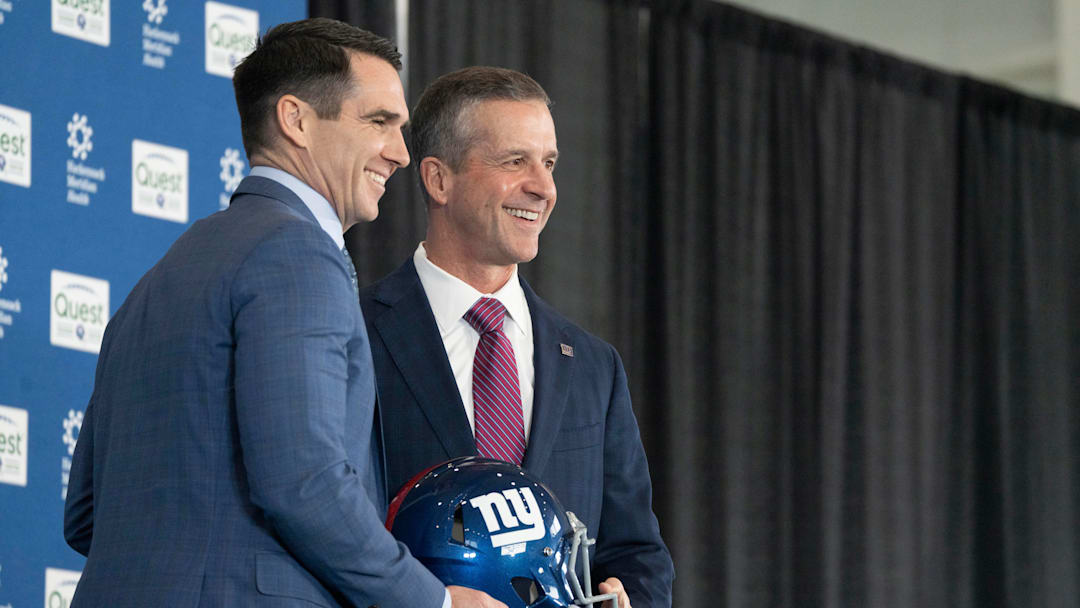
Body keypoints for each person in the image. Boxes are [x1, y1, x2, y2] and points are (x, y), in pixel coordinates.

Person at [64, 19, 502, 608]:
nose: (401, 152)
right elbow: (305, 484)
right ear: (296, 120)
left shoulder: (162, 276)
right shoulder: (297, 255)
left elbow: (86, 515)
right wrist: (435, 602)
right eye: (378, 122)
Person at [360, 66, 675, 608]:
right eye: (515, 161)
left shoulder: (594, 367)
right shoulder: (356, 332)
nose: (544, 187)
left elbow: (636, 554)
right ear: (439, 179)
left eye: (549, 163)